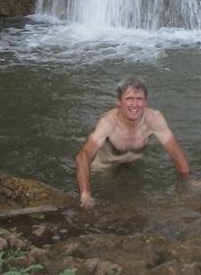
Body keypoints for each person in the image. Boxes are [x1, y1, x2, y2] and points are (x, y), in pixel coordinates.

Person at [75, 75, 191, 208]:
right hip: (104, 169)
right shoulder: (108, 123)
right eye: (129, 99)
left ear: (146, 102)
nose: (135, 105)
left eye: (139, 99)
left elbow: (176, 153)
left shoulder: (153, 119)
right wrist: (85, 193)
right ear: (119, 101)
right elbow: (82, 156)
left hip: (132, 164)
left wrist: (188, 181)